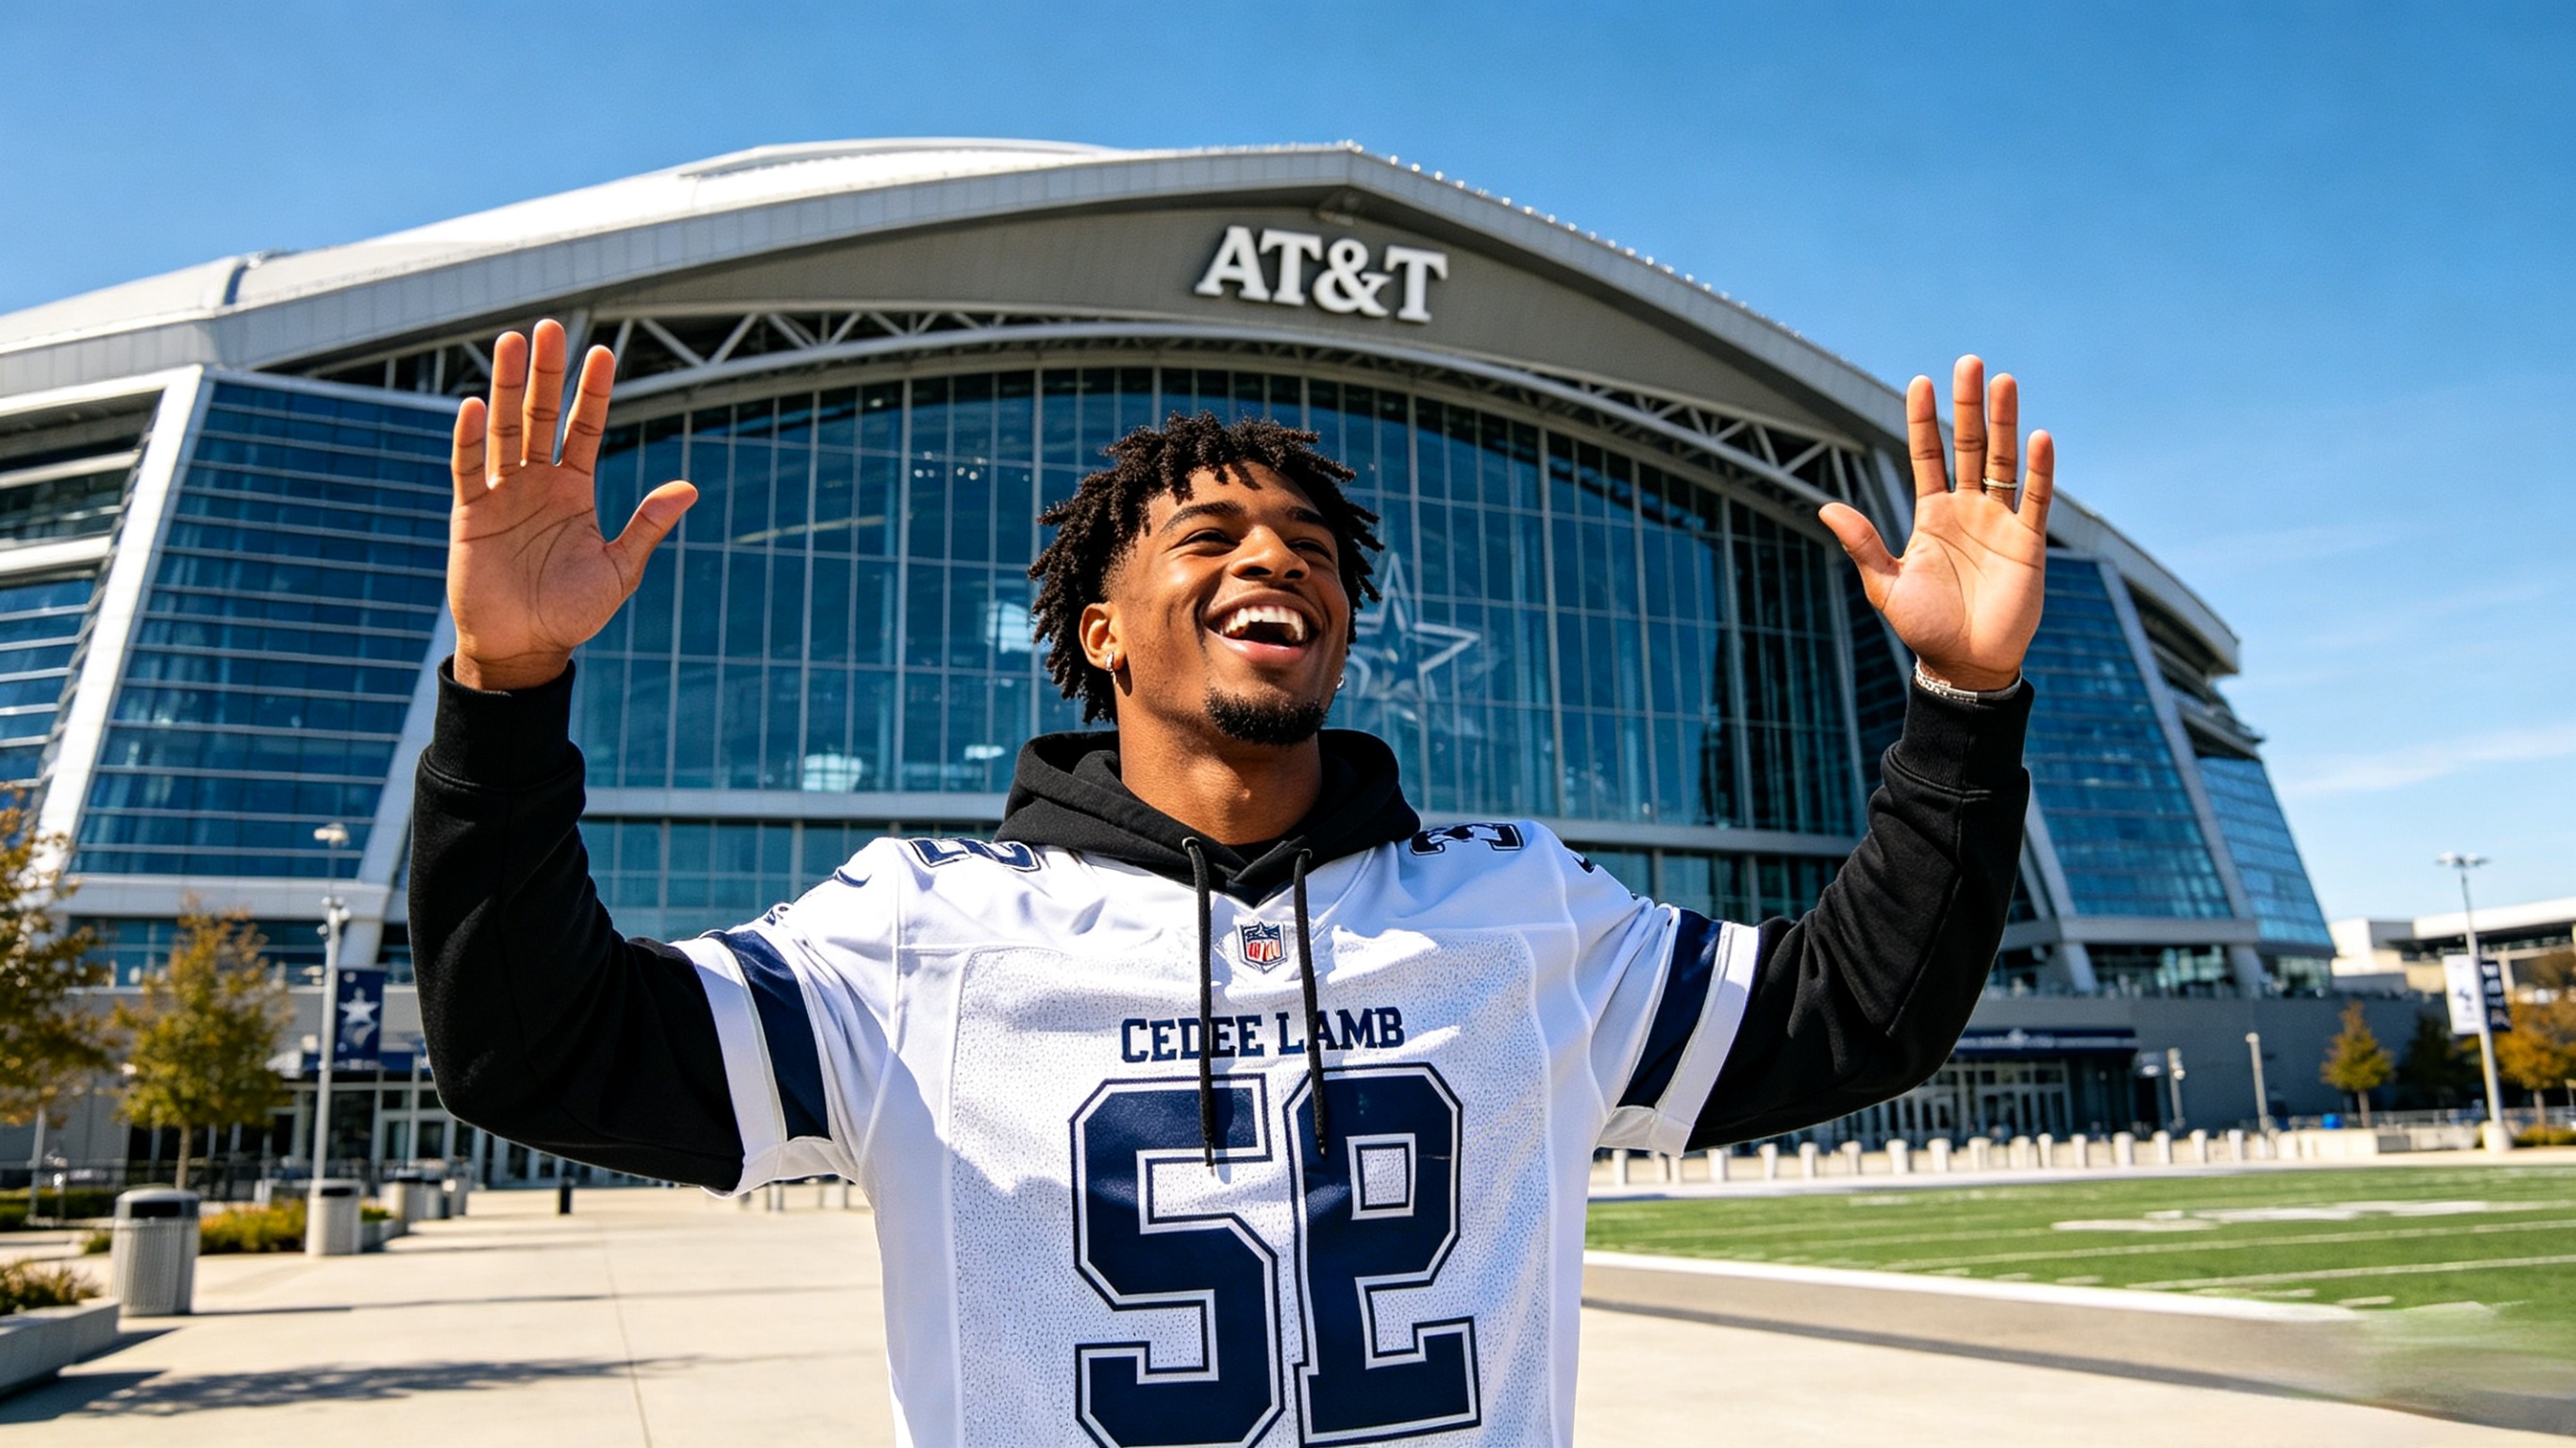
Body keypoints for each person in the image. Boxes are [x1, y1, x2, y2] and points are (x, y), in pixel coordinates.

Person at [416, 319, 2053, 1446]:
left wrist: (1965, 715)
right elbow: (538, 1053)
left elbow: (1857, 1015)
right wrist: (502, 698)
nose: (1274, 556)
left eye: (1310, 550)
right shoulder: (922, 930)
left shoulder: (1515, 908)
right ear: (1099, 634)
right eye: (1206, 537)